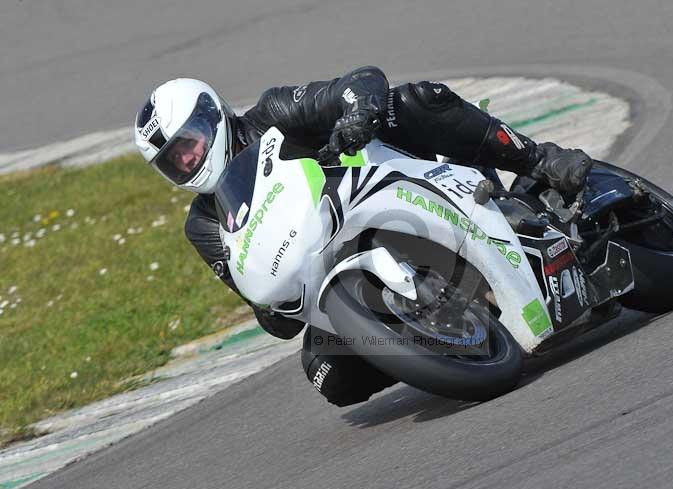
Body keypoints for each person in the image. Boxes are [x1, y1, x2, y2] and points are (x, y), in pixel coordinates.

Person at [134, 66, 592, 406]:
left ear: (212, 117)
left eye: (189, 144)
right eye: (174, 161)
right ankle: (431, 345)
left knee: (413, 100)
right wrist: (267, 305)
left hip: (392, 184)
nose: (189, 162)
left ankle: (537, 160)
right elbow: (270, 314)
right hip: (327, 274)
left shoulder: (273, 113)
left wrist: (358, 113)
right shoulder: (203, 224)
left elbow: (360, 82)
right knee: (327, 376)